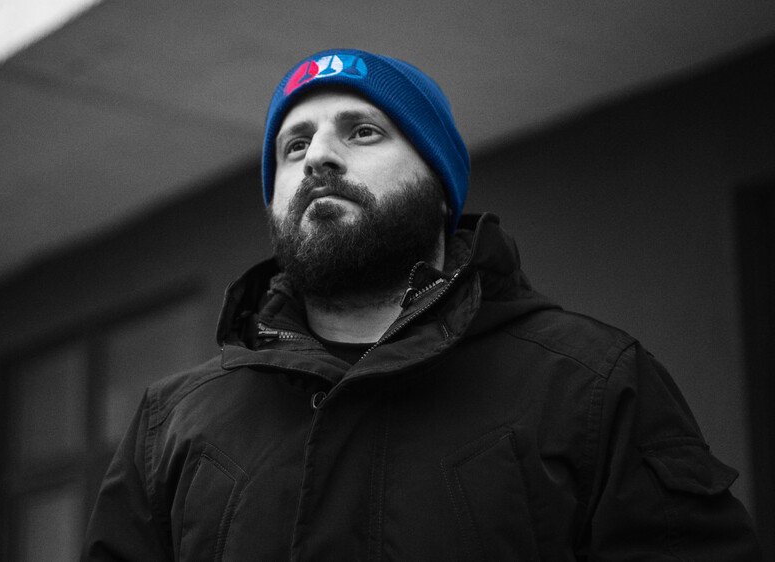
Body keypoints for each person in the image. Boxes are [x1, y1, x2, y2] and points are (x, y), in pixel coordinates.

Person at [83, 49, 760, 560]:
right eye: (295, 145)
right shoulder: (171, 425)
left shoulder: (593, 384)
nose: (319, 157)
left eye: (362, 132)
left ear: (439, 188)